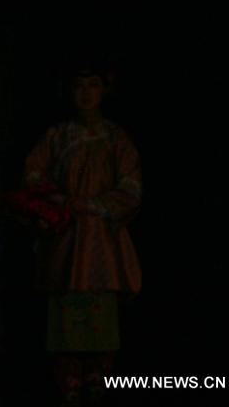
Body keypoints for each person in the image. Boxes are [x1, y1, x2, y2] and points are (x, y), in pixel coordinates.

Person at [23, 68, 142, 407]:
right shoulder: (58, 136)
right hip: (66, 241)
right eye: (79, 85)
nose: (86, 93)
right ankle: (68, 385)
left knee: (100, 313)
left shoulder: (116, 139)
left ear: (105, 90)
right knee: (63, 314)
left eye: (93, 85)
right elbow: (33, 176)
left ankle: (98, 382)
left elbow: (132, 189)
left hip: (103, 244)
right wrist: (59, 202)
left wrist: (92, 205)